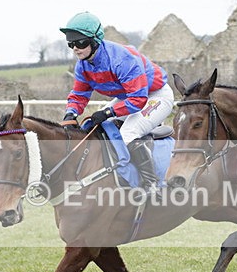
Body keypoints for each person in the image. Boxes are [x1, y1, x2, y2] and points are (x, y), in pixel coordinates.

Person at [59, 11, 174, 193]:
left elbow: (138, 99)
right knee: (93, 126)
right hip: (130, 97)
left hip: (155, 95)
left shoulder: (122, 59)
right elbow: (79, 95)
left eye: (80, 43)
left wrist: (108, 112)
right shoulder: (82, 65)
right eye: (71, 44)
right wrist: (70, 114)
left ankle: (152, 185)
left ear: (95, 40)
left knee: (128, 132)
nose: (75, 48)